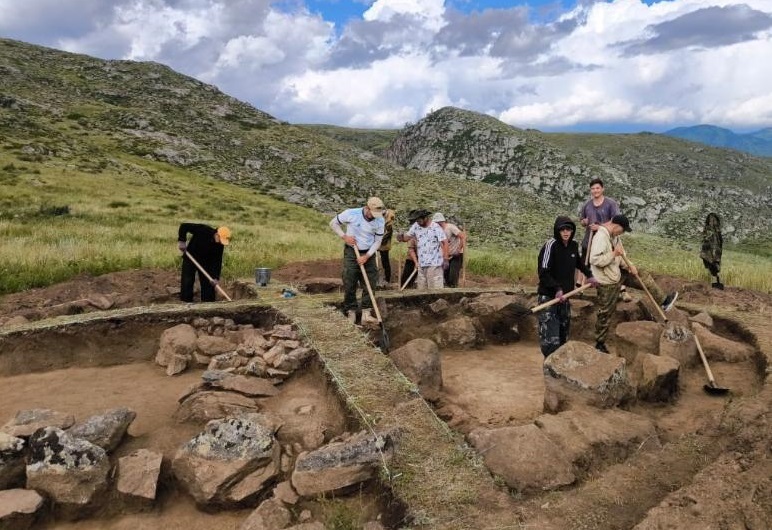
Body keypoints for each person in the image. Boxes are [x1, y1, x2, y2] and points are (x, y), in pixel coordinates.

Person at [589, 214, 677, 353]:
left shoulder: (615, 236)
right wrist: (613, 254)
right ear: (616, 226)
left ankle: (664, 301)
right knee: (605, 313)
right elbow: (594, 260)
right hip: (606, 280)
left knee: (641, 274)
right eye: (622, 230)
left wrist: (630, 266)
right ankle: (600, 344)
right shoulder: (600, 237)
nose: (622, 233)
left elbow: (621, 255)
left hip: (617, 272)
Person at [537, 216, 598, 357]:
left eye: (568, 229)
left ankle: (560, 371)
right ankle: (549, 371)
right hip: (549, 298)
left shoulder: (573, 245)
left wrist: (589, 275)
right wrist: (556, 289)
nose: (565, 232)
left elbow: (578, 262)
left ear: (572, 230)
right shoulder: (550, 245)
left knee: (563, 337)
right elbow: (543, 272)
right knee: (550, 340)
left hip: (565, 297)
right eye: (562, 229)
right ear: (557, 230)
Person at [329, 197, 386, 324]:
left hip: (369, 252)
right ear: (367, 208)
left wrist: (367, 256)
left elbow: (378, 241)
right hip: (352, 251)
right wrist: (344, 236)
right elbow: (333, 223)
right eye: (372, 213)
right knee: (350, 279)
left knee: (370, 281)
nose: (374, 216)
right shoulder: (351, 214)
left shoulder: (380, 220)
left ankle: (366, 313)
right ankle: (351, 311)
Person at [578, 178, 628, 299]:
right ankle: (581, 287)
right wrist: (584, 222)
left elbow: (615, 222)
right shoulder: (587, 205)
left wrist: (599, 227)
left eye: (597, 188)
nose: (595, 191)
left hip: (606, 239)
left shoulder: (610, 204)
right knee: (585, 262)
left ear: (602, 189)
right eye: (593, 189)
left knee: (612, 261)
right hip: (589, 239)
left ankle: (619, 288)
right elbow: (582, 220)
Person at [177, 223, 231, 303]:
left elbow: (217, 261)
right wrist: (182, 240)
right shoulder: (203, 230)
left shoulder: (219, 245)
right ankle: (186, 302)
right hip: (191, 257)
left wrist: (215, 277)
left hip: (205, 263)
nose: (221, 242)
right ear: (217, 234)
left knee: (208, 284)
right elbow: (184, 226)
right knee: (187, 281)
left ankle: (208, 303)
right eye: (221, 240)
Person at [406, 209, 448, 289]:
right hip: (421, 264)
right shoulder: (416, 226)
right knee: (422, 290)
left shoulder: (435, 227)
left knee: (435, 290)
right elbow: (406, 237)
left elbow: (444, 242)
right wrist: (401, 237)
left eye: (419, 220)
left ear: (425, 218)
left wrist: (445, 258)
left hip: (434, 264)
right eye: (417, 221)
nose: (418, 222)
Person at [432, 213, 466, 288]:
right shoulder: (437, 231)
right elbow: (441, 245)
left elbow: (463, 237)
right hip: (446, 256)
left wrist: (459, 249)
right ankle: (449, 291)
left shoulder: (450, 227)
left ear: (441, 221)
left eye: (437, 222)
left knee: (453, 275)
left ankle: (454, 291)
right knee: (446, 276)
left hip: (456, 255)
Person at [397, 209, 421, 289]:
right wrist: (416, 262)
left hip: (422, 258)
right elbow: (411, 249)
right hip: (411, 259)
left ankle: (409, 288)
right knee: (406, 277)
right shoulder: (412, 233)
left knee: (414, 277)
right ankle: (403, 289)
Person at [700, 213, 724, 290]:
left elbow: (719, 243)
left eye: (714, 220)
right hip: (708, 251)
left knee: (714, 267)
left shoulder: (717, 231)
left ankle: (716, 282)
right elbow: (705, 240)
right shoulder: (707, 229)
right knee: (711, 266)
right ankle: (714, 282)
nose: (712, 222)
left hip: (715, 252)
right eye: (711, 220)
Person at [378, 209, 396, 287]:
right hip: (378, 242)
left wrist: (379, 242)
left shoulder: (389, 223)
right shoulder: (381, 220)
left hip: (384, 244)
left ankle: (387, 279)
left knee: (385, 261)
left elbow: (387, 235)